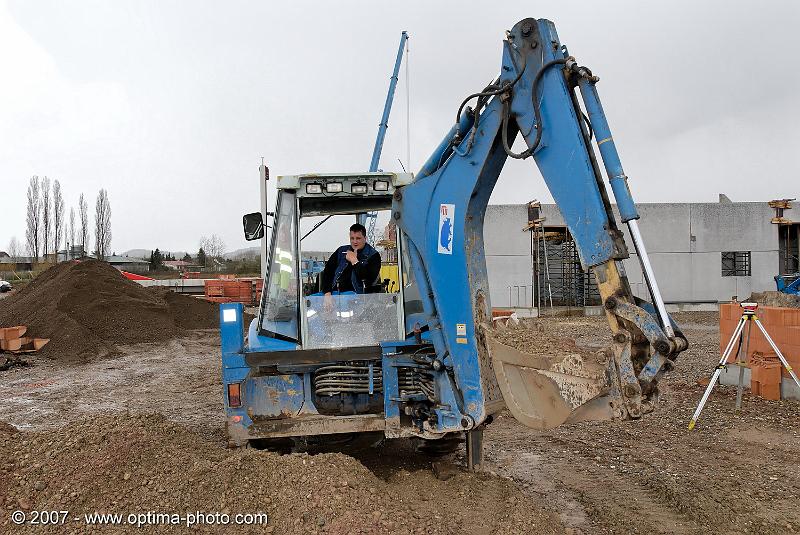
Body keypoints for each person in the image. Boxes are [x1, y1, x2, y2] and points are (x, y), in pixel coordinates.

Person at [320, 224, 381, 306]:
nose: (355, 242)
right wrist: (327, 293)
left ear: (365, 238)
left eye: (358, 238)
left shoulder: (373, 255)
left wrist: (355, 261)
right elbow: (327, 272)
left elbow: (369, 279)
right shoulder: (341, 251)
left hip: (357, 298)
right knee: (310, 303)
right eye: (352, 238)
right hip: (333, 294)